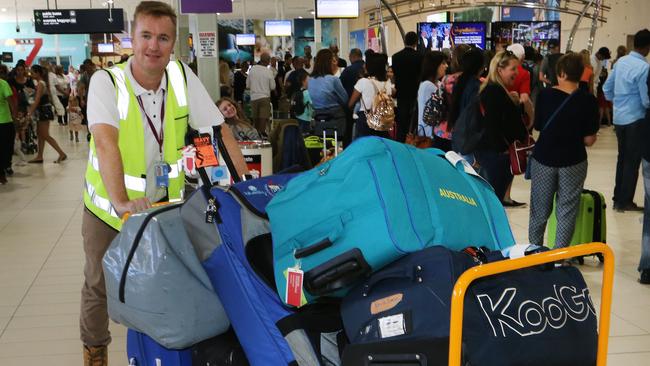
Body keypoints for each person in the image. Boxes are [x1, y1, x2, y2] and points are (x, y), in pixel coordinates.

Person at [81, 2, 247, 365]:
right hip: (110, 209)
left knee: (167, 277)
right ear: (131, 39)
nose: (152, 46)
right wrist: (122, 201)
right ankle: (95, 351)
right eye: (145, 36)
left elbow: (214, 132)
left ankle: (160, 350)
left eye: (162, 38)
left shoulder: (182, 77)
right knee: (98, 283)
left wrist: (241, 184)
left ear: (174, 43)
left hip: (161, 206)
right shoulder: (106, 82)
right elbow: (107, 142)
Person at [528, 53, 599, 249]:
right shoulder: (589, 101)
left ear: (560, 73)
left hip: (544, 159)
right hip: (573, 161)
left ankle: (534, 253)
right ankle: (559, 258)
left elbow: (539, 126)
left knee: (539, 210)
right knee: (567, 210)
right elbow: (589, 139)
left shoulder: (545, 95)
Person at [603, 29, 650, 212]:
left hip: (620, 119)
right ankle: (625, 201)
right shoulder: (644, 68)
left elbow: (607, 87)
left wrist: (617, 103)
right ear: (646, 47)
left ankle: (618, 198)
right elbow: (646, 100)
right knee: (632, 161)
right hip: (636, 119)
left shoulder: (621, 62)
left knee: (622, 159)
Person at [474, 51, 528, 202]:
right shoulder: (494, 91)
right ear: (499, 70)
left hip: (492, 153)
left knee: (491, 200)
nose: (517, 73)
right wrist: (502, 150)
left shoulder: (495, 90)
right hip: (495, 155)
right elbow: (492, 124)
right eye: (513, 69)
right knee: (493, 202)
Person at [26, 64, 67, 164]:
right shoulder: (42, 83)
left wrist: (29, 113)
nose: (31, 74)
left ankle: (61, 153)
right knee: (40, 135)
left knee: (44, 135)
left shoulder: (41, 83)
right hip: (44, 110)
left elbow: (37, 100)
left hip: (43, 111)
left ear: (38, 73)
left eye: (33, 72)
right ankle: (40, 156)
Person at [348, 53, 393, 139]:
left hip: (365, 120)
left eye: (366, 63)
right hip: (383, 120)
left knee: (364, 148)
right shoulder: (387, 83)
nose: (364, 66)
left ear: (370, 66)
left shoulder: (363, 82)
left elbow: (350, 103)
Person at [307, 48, 348, 137]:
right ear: (328, 63)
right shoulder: (333, 79)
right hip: (336, 119)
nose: (335, 64)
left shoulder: (310, 80)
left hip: (317, 117)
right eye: (333, 61)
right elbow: (345, 99)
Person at [391, 31, 423, 142]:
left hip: (401, 94)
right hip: (415, 94)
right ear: (416, 42)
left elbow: (394, 76)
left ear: (404, 41)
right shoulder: (420, 57)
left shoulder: (396, 57)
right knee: (413, 123)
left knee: (401, 124)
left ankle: (400, 145)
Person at [416, 51, 448, 148]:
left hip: (432, 133)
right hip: (428, 134)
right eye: (443, 63)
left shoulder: (436, 83)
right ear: (434, 65)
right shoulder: (427, 86)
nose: (446, 66)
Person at [246, 52, 276, 135]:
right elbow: (273, 87)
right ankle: (262, 135)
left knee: (255, 119)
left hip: (254, 97)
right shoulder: (269, 72)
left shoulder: (252, 69)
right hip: (265, 97)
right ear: (268, 61)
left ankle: (255, 136)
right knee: (263, 118)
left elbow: (247, 85)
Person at [0, 63, 16, 184]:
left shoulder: (3, 84)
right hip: (5, 121)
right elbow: (11, 102)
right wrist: (15, 116)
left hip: (5, 121)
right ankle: (5, 169)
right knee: (6, 147)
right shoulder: (3, 84)